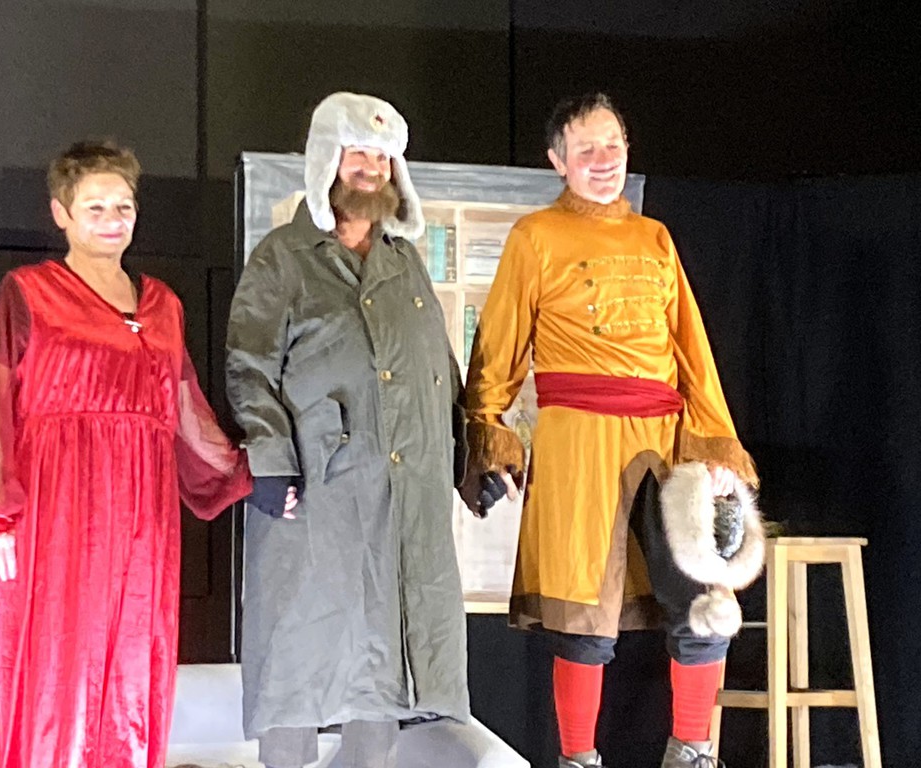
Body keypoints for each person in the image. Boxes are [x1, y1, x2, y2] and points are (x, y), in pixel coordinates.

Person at [462, 93, 759, 768]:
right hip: (578, 439)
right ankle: (577, 757)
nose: (602, 161)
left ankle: (691, 749)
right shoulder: (535, 236)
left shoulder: (654, 238)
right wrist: (486, 425)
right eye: (586, 149)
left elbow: (691, 349)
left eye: (613, 146)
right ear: (557, 160)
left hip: (663, 439)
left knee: (700, 597)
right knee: (582, 616)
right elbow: (499, 345)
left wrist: (713, 442)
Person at [0, 140, 254, 768]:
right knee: (53, 657)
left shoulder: (163, 305)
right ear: (61, 213)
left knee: (131, 654)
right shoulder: (29, 292)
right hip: (55, 507)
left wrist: (249, 472)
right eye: (94, 207)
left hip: (141, 516)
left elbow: (184, 408)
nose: (112, 220)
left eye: (123, 207)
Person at [226, 91, 470, 768]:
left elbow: (438, 371)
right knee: (298, 646)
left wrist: (470, 458)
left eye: (383, 157)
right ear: (325, 158)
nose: (370, 168)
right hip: (318, 490)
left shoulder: (404, 262)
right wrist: (270, 458)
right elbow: (249, 363)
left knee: (384, 659)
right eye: (357, 152)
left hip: (400, 493)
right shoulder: (284, 256)